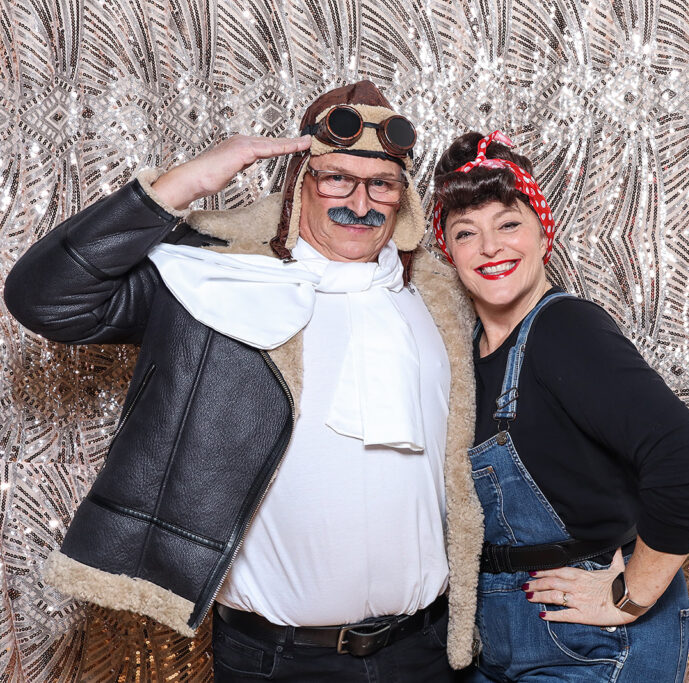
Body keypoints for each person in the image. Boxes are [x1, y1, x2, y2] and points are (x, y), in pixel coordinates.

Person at [4, 81, 485, 681]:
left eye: (381, 184)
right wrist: (189, 181)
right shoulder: (214, 282)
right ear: (297, 185)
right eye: (336, 178)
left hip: (423, 653)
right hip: (276, 661)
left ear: (402, 197)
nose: (359, 203)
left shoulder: (440, 296)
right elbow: (44, 299)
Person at [430, 131, 689, 682]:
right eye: (466, 233)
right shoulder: (467, 358)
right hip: (497, 642)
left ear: (544, 234)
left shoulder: (564, 329)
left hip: (589, 647)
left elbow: (685, 460)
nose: (490, 248)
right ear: (450, 253)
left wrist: (629, 597)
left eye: (509, 224)